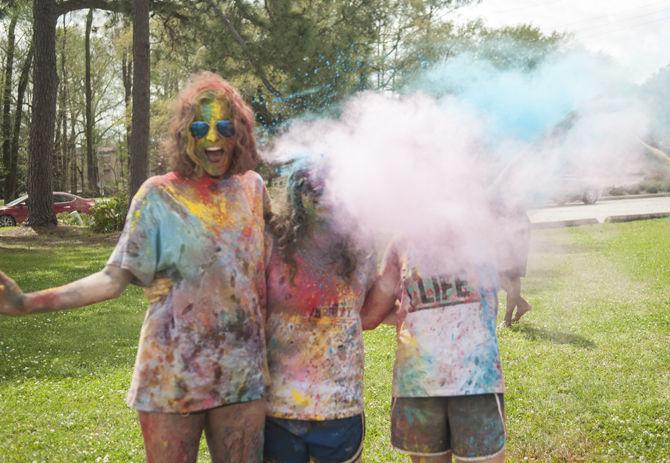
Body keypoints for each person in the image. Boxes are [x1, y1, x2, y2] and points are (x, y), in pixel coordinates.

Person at [0, 72, 271, 463]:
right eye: (200, 127)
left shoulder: (252, 189)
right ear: (185, 134)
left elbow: (273, 273)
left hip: (242, 376)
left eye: (224, 126)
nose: (213, 138)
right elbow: (113, 279)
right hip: (170, 376)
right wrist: (27, 303)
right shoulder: (158, 195)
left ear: (239, 132)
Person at [263, 166, 377, 463]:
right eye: (312, 186)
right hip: (279, 408)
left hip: (340, 405)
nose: (324, 195)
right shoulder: (271, 240)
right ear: (294, 191)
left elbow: (372, 308)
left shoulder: (361, 243)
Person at [362, 238, 506, 463]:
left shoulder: (404, 241)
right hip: (465, 381)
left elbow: (370, 315)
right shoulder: (481, 228)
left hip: (443, 383)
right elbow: (370, 316)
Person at [497, 201, 532, 327]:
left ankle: (507, 320)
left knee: (512, 276)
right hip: (506, 230)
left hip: (516, 231)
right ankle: (521, 304)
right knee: (495, 274)